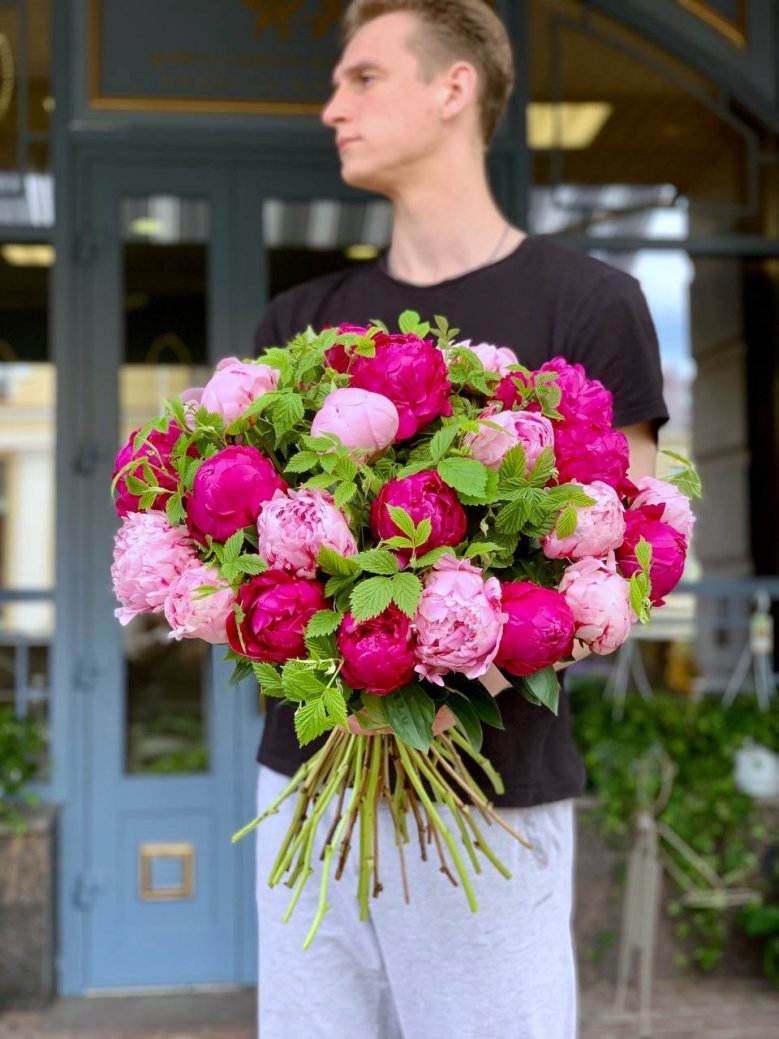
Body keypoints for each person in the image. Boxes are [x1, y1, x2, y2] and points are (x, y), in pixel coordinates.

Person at [253, 2, 668, 1036]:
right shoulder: (300, 325)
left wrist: (442, 675)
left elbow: (622, 568)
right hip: (308, 788)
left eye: (361, 78)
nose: (331, 108)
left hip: (492, 795)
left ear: (454, 88)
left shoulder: (589, 305)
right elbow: (253, 562)